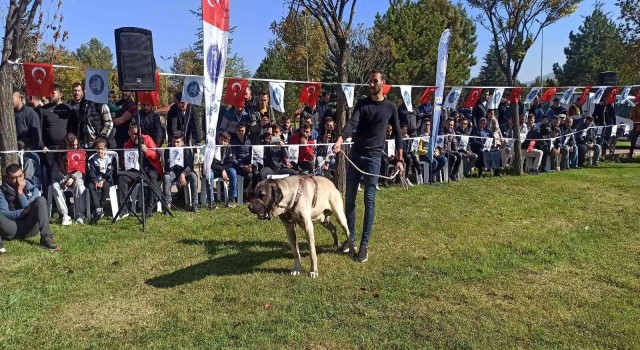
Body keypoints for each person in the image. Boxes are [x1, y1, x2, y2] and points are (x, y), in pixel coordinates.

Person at [332, 69, 404, 263]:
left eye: (374, 81)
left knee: (369, 200)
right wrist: (340, 139)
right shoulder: (362, 104)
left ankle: (364, 246)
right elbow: (352, 123)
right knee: (349, 200)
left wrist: (399, 159)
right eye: (369, 82)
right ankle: (351, 238)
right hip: (355, 155)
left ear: (383, 83)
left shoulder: (390, 107)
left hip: (373, 159)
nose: (371, 84)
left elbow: (398, 134)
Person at [0, 164, 60, 252]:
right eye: (14, 178)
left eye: (20, 176)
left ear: (23, 174)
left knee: (40, 200)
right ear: (8, 179)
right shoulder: (2, 191)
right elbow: (4, 213)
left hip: (31, 227)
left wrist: (20, 192)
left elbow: (29, 208)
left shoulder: (32, 188)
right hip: (11, 228)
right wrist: (22, 212)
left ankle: (46, 238)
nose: (18, 180)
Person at [117, 123, 163, 218]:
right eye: (133, 133)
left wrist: (147, 151)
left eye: (138, 133)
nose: (136, 136)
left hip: (150, 169)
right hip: (136, 171)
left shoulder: (147, 139)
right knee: (122, 176)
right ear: (129, 133)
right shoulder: (127, 144)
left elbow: (156, 156)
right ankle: (124, 210)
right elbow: (125, 163)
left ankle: (149, 209)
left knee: (152, 176)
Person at [50, 133, 87, 225]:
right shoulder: (58, 154)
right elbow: (54, 173)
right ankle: (65, 215)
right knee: (54, 186)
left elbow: (82, 171)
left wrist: (73, 178)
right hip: (62, 178)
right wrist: (64, 178)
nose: (75, 147)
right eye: (72, 145)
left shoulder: (80, 152)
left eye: (76, 144)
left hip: (76, 177)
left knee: (80, 186)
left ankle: (80, 214)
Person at [67, 82, 115, 149]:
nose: (86, 91)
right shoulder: (82, 104)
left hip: (101, 146)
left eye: (87, 88)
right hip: (85, 145)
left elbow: (109, 123)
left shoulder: (100, 103)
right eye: (84, 88)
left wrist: (101, 138)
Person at [163, 131, 198, 212]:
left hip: (185, 171)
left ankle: (194, 204)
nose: (175, 144)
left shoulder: (186, 149)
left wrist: (183, 174)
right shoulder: (168, 149)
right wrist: (171, 161)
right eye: (173, 141)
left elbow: (190, 166)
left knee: (193, 176)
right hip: (173, 172)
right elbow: (166, 167)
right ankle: (167, 204)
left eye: (177, 142)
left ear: (182, 142)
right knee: (166, 177)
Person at [87, 138, 113, 223]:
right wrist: (95, 181)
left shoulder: (108, 159)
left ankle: (101, 206)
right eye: (98, 148)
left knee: (106, 186)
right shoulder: (92, 159)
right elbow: (91, 172)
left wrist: (103, 180)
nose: (100, 151)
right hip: (95, 180)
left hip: (105, 180)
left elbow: (109, 172)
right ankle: (97, 208)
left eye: (102, 149)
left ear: (105, 149)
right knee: (91, 186)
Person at [210, 132, 239, 208]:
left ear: (228, 142)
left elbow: (230, 163)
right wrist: (222, 170)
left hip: (224, 169)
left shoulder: (229, 147)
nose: (222, 142)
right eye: (221, 139)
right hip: (214, 170)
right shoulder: (214, 147)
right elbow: (211, 164)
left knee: (233, 172)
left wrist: (223, 170)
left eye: (225, 141)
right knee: (210, 175)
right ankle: (211, 200)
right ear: (218, 138)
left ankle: (232, 198)